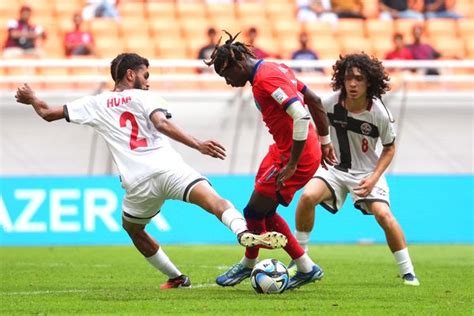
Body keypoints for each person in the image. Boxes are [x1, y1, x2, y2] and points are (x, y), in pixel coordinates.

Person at [14, 52, 288, 289]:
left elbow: (48, 113)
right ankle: (241, 232)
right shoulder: (148, 98)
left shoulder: (94, 103)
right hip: (169, 168)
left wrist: (32, 97)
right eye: (145, 74)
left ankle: (177, 277)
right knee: (214, 201)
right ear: (130, 75)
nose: (148, 80)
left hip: (138, 182)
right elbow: (161, 123)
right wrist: (198, 144)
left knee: (133, 229)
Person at [204, 31, 337, 290]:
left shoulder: (266, 79)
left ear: (238, 64)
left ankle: (249, 263)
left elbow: (300, 116)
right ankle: (307, 268)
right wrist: (324, 140)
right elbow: (314, 99)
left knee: (254, 212)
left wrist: (292, 163)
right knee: (262, 211)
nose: (229, 82)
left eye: (227, 75)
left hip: (294, 154)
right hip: (285, 149)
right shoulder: (274, 67)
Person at [291, 53, 420, 286]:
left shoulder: (379, 113)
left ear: (369, 81)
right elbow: (315, 126)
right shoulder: (329, 103)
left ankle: (407, 271)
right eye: (348, 78)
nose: (352, 84)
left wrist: (374, 178)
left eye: (359, 79)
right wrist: (323, 145)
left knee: (384, 215)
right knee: (307, 196)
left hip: (367, 172)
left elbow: (389, 149)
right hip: (335, 168)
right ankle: (301, 258)